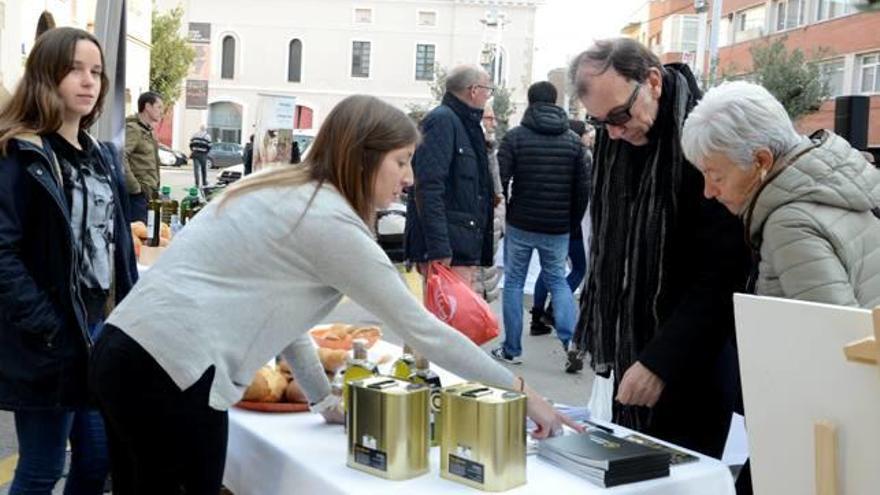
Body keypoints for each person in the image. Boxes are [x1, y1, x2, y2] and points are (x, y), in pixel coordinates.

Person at [90, 95, 581, 494]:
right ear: (363, 157)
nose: (408, 178)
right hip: (171, 374)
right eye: (401, 162)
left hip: (126, 352)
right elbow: (423, 329)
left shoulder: (283, 187)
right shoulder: (328, 223)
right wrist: (526, 396)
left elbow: (282, 317)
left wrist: (322, 397)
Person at [682, 80, 880, 495]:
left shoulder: (790, 221)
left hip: (827, 434)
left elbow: (833, 347)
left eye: (715, 174)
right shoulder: (832, 182)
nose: (708, 190)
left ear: (761, 160)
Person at [568, 38, 750, 458]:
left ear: (652, 81)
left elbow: (724, 272)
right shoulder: (621, 142)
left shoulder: (708, 139)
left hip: (692, 359)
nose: (613, 131)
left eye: (618, 115)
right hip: (630, 349)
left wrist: (660, 362)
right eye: (600, 123)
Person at [0, 27, 137, 494]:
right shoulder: (21, 153)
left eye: (96, 71)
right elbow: (3, 254)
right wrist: (48, 324)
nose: (88, 81)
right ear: (46, 75)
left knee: (97, 460)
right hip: (50, 337)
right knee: (40, 467)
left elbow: (114, 245)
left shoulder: (102, 156)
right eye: (74, 69)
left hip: (98, 332)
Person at [491, 81, 589, 366]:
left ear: (530, 101)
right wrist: (570, 223)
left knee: (514, 283)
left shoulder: (515, 137)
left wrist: (507, 212)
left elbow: (501, 179)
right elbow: (582, 190)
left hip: (521, 223)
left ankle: (511, 350)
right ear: (556, 101)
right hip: (557, 227)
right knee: (558, 281)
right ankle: (570, 342)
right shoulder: (573, 141)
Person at [404, 65, 496, 285]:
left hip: (461, 244)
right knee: (448, 317)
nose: (488, 95)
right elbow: (428, 187)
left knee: (458, 318)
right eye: (487, 89)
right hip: (448, 250)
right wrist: (439, 247)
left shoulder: (465, 124)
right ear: (473, 90)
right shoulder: (442, 121)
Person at [530, 120, 592, 369]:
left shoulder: (548, 152)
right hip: (569, 223)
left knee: (548, 270)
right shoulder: (580, 155)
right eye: (587, 133)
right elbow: (584, 191)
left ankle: (537, 317)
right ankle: (556, 314)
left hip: (543, 219)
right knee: (576, 268)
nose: (589, 137)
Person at [472, 101, 505, 303]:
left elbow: (498, 190)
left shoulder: (490, 149)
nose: (494, 122)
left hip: (489, 228)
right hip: (477, 230)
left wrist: (499, 222)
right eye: (489, 117)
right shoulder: (474, 148)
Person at [123, 91, 163, 222]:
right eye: (159, 107)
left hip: (149, 194)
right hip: (137, 196)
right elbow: (120, 157)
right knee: (139, 236)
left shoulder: (147, 130)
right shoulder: (133, 129)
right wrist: (134, 188)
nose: (161, 111)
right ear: (147, 106)